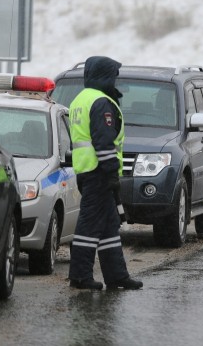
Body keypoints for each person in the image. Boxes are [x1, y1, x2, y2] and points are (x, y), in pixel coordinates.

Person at [68, 56, 143, 290]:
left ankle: (116, 276)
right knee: (89, 226)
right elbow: (104, 141)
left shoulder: (81, 98)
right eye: (113, 77)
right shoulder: (101, 102)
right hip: (99, 171)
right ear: (104, 76)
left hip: (87, 170)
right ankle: (80, 276)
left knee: (109, 225)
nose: (116, 82)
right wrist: (111, 174)